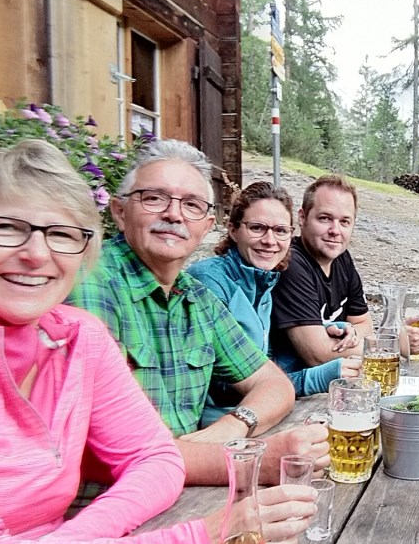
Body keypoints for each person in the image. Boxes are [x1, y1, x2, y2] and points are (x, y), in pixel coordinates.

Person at [0, 140, 315, 544]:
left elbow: (157, 458)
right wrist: (195, 543)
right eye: (5, 227)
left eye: (61, 234)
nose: (36, 254)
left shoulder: (77, 333)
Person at [66, 139, 327, 487]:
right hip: (109, 506)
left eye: (191, 205)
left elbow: (274, 383)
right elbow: (102, 451)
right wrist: (248, 461)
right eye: (154, 198)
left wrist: (232, 428)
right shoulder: (86, 284)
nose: (174, 215)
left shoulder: (196, 297)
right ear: (119, 211)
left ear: (206, 225)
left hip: (183, 492)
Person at [187, 181, 363, 421]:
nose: (270, 240)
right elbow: (225, 384)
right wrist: (314, 378)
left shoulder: (264, 280)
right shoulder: (211, 281)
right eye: (257, 228)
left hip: (257, 412)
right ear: (233, 230)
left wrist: (330, 328)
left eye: (280, 231)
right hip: (219, 421)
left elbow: (265, 357)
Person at [269, 174, 419, 392]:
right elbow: (317, 354)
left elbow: (364, 324)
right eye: (325, 218)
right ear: (302, 217)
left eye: (344, 221)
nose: (335, 230)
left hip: (331, 384)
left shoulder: (341, 259)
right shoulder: (290, 263)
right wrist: (392, 344)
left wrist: (361, 336)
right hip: (291, 388)